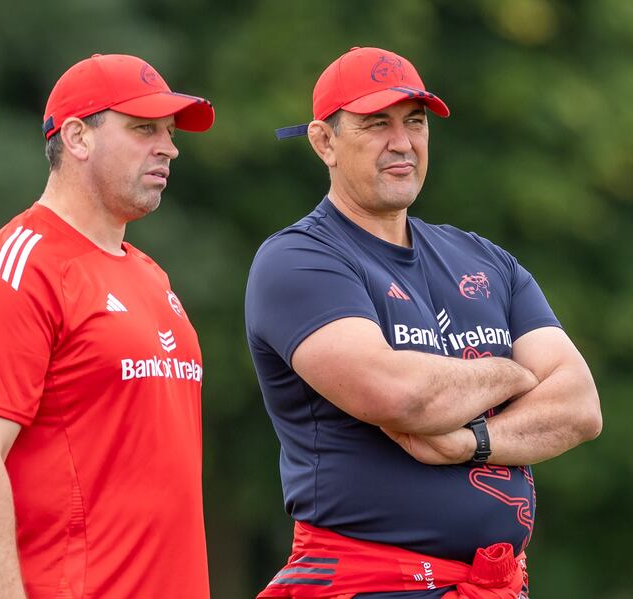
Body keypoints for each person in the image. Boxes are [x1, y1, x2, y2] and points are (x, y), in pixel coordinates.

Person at [245, 46, 602, 599]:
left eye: (415, 122)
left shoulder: (485, 258)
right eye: (376, 124)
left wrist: (470, 443)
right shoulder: (298, 258)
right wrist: (514, 373)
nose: (402, 142)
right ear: (324, 142)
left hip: (495, 584)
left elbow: (580, 406)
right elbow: (399, 396)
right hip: (365, 584)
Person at [0, 53, 214, 598]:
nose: (169, 147)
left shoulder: (150, 275)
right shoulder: (16, 270)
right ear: (77, 138)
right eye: (143, 129)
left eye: (170, 131)